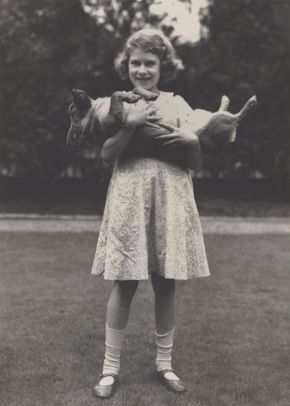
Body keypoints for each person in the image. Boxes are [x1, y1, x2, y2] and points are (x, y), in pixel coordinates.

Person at [90, 28, 210, 399]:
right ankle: (110, 370)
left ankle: (165, 365)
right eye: (135, 63)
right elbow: (107, 155)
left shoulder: (177, 104)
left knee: (165, 282)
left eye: (150, 63)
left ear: (163, 67)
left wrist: (192, 141)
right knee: (124, 281)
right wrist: (131, 124)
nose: (142, 70)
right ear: (126, 66)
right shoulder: (119, 103)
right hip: (130, 195)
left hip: (171, 194)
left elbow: (196, 162)